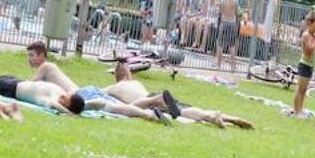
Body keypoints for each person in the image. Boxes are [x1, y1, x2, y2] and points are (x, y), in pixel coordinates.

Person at [104, 60, 254, 127]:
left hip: (148, 101)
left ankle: (211, 117)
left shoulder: (115, 87)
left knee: (129, 108)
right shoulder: (135, 83)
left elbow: (95, 92)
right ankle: (222, 117)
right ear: (130, 75)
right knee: (182, 110)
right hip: (153, 95)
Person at [290, 9, 315, 117]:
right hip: (304, 64)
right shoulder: (306, 35)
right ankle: (296, 110)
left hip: (310, 65)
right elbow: (309, 49)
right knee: (300, 89)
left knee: (304, 90)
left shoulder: (313, 36)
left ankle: (300, 108)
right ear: (309, 23)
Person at [213, 0, 244, 72]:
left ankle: (218, 65)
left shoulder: (222, 0)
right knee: (231, 46)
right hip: (232, 23)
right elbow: (238, 13)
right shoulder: (235, 1)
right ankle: (233, 66)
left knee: (220, 45)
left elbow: (220, 11)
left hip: (224, 22)